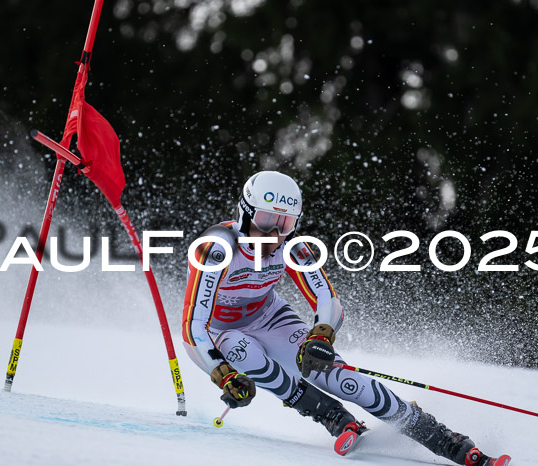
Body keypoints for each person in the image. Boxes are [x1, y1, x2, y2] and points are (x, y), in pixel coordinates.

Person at [182, 171, 501, 465]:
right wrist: (221, 373)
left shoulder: (291, 246)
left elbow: (326, 299)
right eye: (266, 220)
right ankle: (331, 415)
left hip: (268, 317)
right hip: (218, 331)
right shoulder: (217, 249)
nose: (274, 233)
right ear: (245, 213)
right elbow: (193, 324)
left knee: (333, 374)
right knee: (244, 353)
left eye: (285, 223)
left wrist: (321, 335)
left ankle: (445, 440)